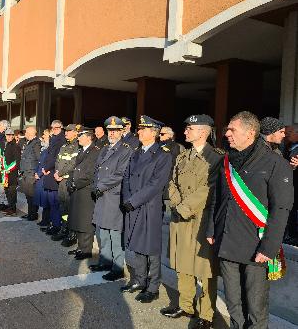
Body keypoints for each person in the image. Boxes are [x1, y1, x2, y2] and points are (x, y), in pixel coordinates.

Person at [208, 111, 293, 328]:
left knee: (256, 308)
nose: (227, 134)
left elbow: (281, 208)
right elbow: (216, 198)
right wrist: (211, 230)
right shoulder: (226, 160)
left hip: (256, 247)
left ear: (250, 133)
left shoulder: (275, 163)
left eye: (232, 129)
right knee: (233, 302)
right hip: (227, 241)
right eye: (227, 129)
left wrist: (269, 247)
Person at [160, 115, 223, 329]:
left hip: (201, 220)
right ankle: (186, 305)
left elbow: (210, 188)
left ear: (203, 132)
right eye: (186, 128)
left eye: (190, 129)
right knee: (182, 264)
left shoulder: (216, 158)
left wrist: (185, 207)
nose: (185, 132)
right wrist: (178, 205)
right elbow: (172, 183)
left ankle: (206, 313)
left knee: (205, 269)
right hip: (180, 218)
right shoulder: (182, 156)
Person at [120, 115, 172, 302]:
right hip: (132, 204)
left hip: (148, 207)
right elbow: (126, 177)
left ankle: (153, 286)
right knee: (136, 244)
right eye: (140, 128)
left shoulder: (163, 155)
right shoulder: (136, 152)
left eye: (143, 129)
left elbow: (156, 184)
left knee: (151, 249)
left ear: (154, 133)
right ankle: (140, 280)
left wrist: (133, 200)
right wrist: (127, 198)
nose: (139, 132)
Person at [90, 116, 133, 281]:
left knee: (115, 234)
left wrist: (100, 186)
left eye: (115, 131)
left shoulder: (126, 150)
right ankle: (105, 261)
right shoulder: (105, 148)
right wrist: (95, 185)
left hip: (113, 197)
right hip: (102, 196)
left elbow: (120, 174)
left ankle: (117, 268)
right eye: (110, 131)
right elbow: (97, 170)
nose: (112, 134)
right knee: (103, 231)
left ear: (122, 132)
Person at [67, 127, 100, 260]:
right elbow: (74, 169)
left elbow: (90, 174)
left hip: (85, 190)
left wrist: (76, 184)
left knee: (86, 222)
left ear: (89, 137)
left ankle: (86, 250)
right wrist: (70, 182)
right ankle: (80, 247)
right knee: (78, 220)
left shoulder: (95, 152)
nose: (78, 138)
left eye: (81, 136)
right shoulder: (82, 150)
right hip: (77, 190)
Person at [52, 124, 80, 246]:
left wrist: (61, 174)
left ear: (75, 133)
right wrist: (57, 172)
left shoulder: (76, 146)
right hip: (61, 181)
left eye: (69, 131)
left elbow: (73, 163)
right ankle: (64, 229)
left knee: (70, 208)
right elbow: (58, 161)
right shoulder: (64, 146)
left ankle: (71, 234)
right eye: (66, 131)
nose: (66, 133)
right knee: (63, 207)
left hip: (68, 181)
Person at [41, 120, 66, 236]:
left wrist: (46, 168)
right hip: (48, 173)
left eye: (57, 128)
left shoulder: (61, 139)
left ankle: (57, 226)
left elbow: (55, 157)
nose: (54, 130)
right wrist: (44, 168)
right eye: (52, 128)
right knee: (51, 202)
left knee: (56, 203)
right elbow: (48, 155)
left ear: (61, 127)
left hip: (53, 173)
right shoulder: (53, 138)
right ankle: (53, 224)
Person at [19, 126, 42, 220]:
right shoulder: (28, 143)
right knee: (28, 195)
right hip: (26, 172)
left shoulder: (36, 143)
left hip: (31, 172)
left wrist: (37, 172)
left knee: (32, 195)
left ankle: (33, 214)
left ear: (31, 133)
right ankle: (30, 213)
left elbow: (39, 159)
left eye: (27, 133)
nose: (25, 134)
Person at [2, 128, 22, 216]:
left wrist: (9, 169)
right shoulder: (8, 144)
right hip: (6, 171)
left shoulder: (15, 146)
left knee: (12, 191)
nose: (9, 137)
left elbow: (17, 160)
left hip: (12, 172)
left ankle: (13, 208)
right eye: (7, 135)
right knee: (6, 189)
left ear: (13, 136)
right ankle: (10, 206)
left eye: (10, 135)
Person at [35, 129, 51, 227]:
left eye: (45, 135)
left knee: (47, 200)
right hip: (40, 175)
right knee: (44, 200)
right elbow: (40, 162)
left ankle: (47, 220)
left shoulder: (49, 148)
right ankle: (45, 219)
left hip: (44, 176)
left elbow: (47, 163)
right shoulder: (44, 147)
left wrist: (39, 173)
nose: (43, 136)